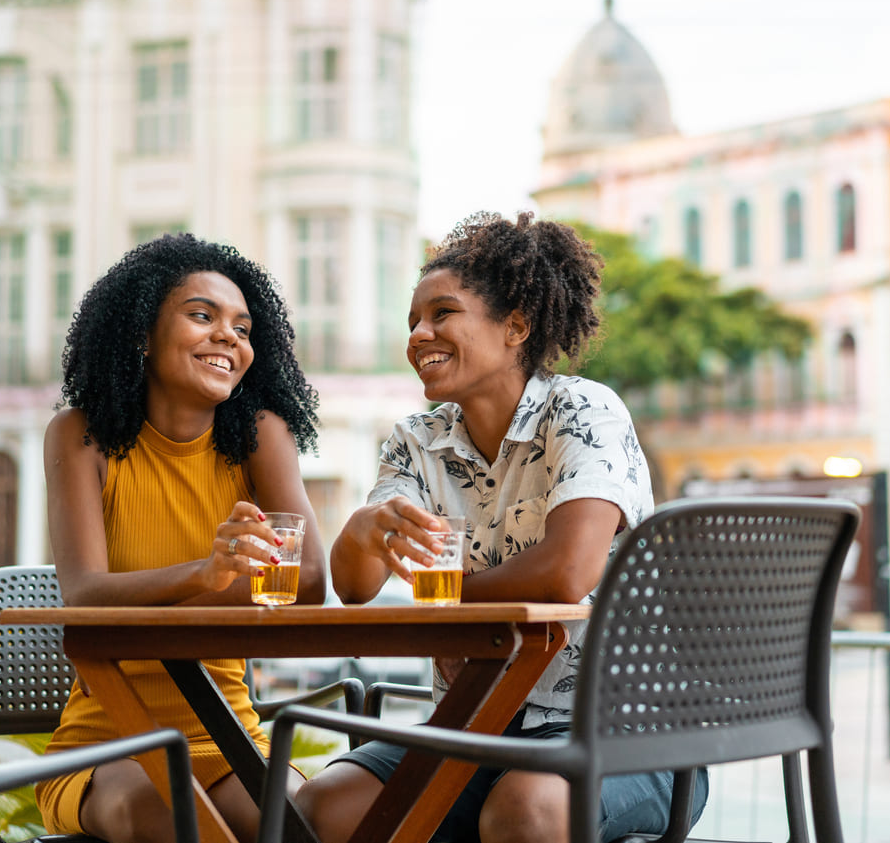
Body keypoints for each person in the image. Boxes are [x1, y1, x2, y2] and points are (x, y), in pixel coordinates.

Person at [295, 212, 709, 843]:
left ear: (516, 325)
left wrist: (451, 602)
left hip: (625, 728)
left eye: (442, 313)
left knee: (524, 811)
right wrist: (365, 528)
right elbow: (355, 587)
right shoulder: (416, 441)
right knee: (324, 808)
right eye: (412, 320)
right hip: (471, 728)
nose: (419, 333)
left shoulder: (582, 410)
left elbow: (568, 570)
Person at [36, 233, 325, 843]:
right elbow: (84, 596)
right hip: (108, 745)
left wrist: (169, 592)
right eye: (203, 316)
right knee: (168, 813)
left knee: (306, 822)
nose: (229, 337)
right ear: (141, 332)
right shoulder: (79, 436)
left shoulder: (260, 437)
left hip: (228, 738)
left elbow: (307, 582)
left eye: (243, 328)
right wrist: (207, 573)